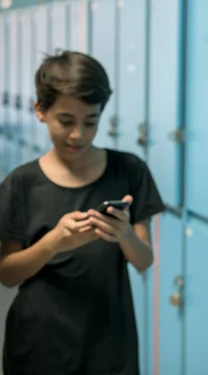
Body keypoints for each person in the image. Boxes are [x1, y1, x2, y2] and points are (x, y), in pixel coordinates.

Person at [0, 50, 165, 375]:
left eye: (90, 122)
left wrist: (124, 234)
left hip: (109, 341)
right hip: (38, 344)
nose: (78, 134)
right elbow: (6, 274)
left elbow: (145, 260)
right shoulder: (21, 183)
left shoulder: (129, 170)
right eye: (66, 121)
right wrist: (53, 243)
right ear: (40, 111)